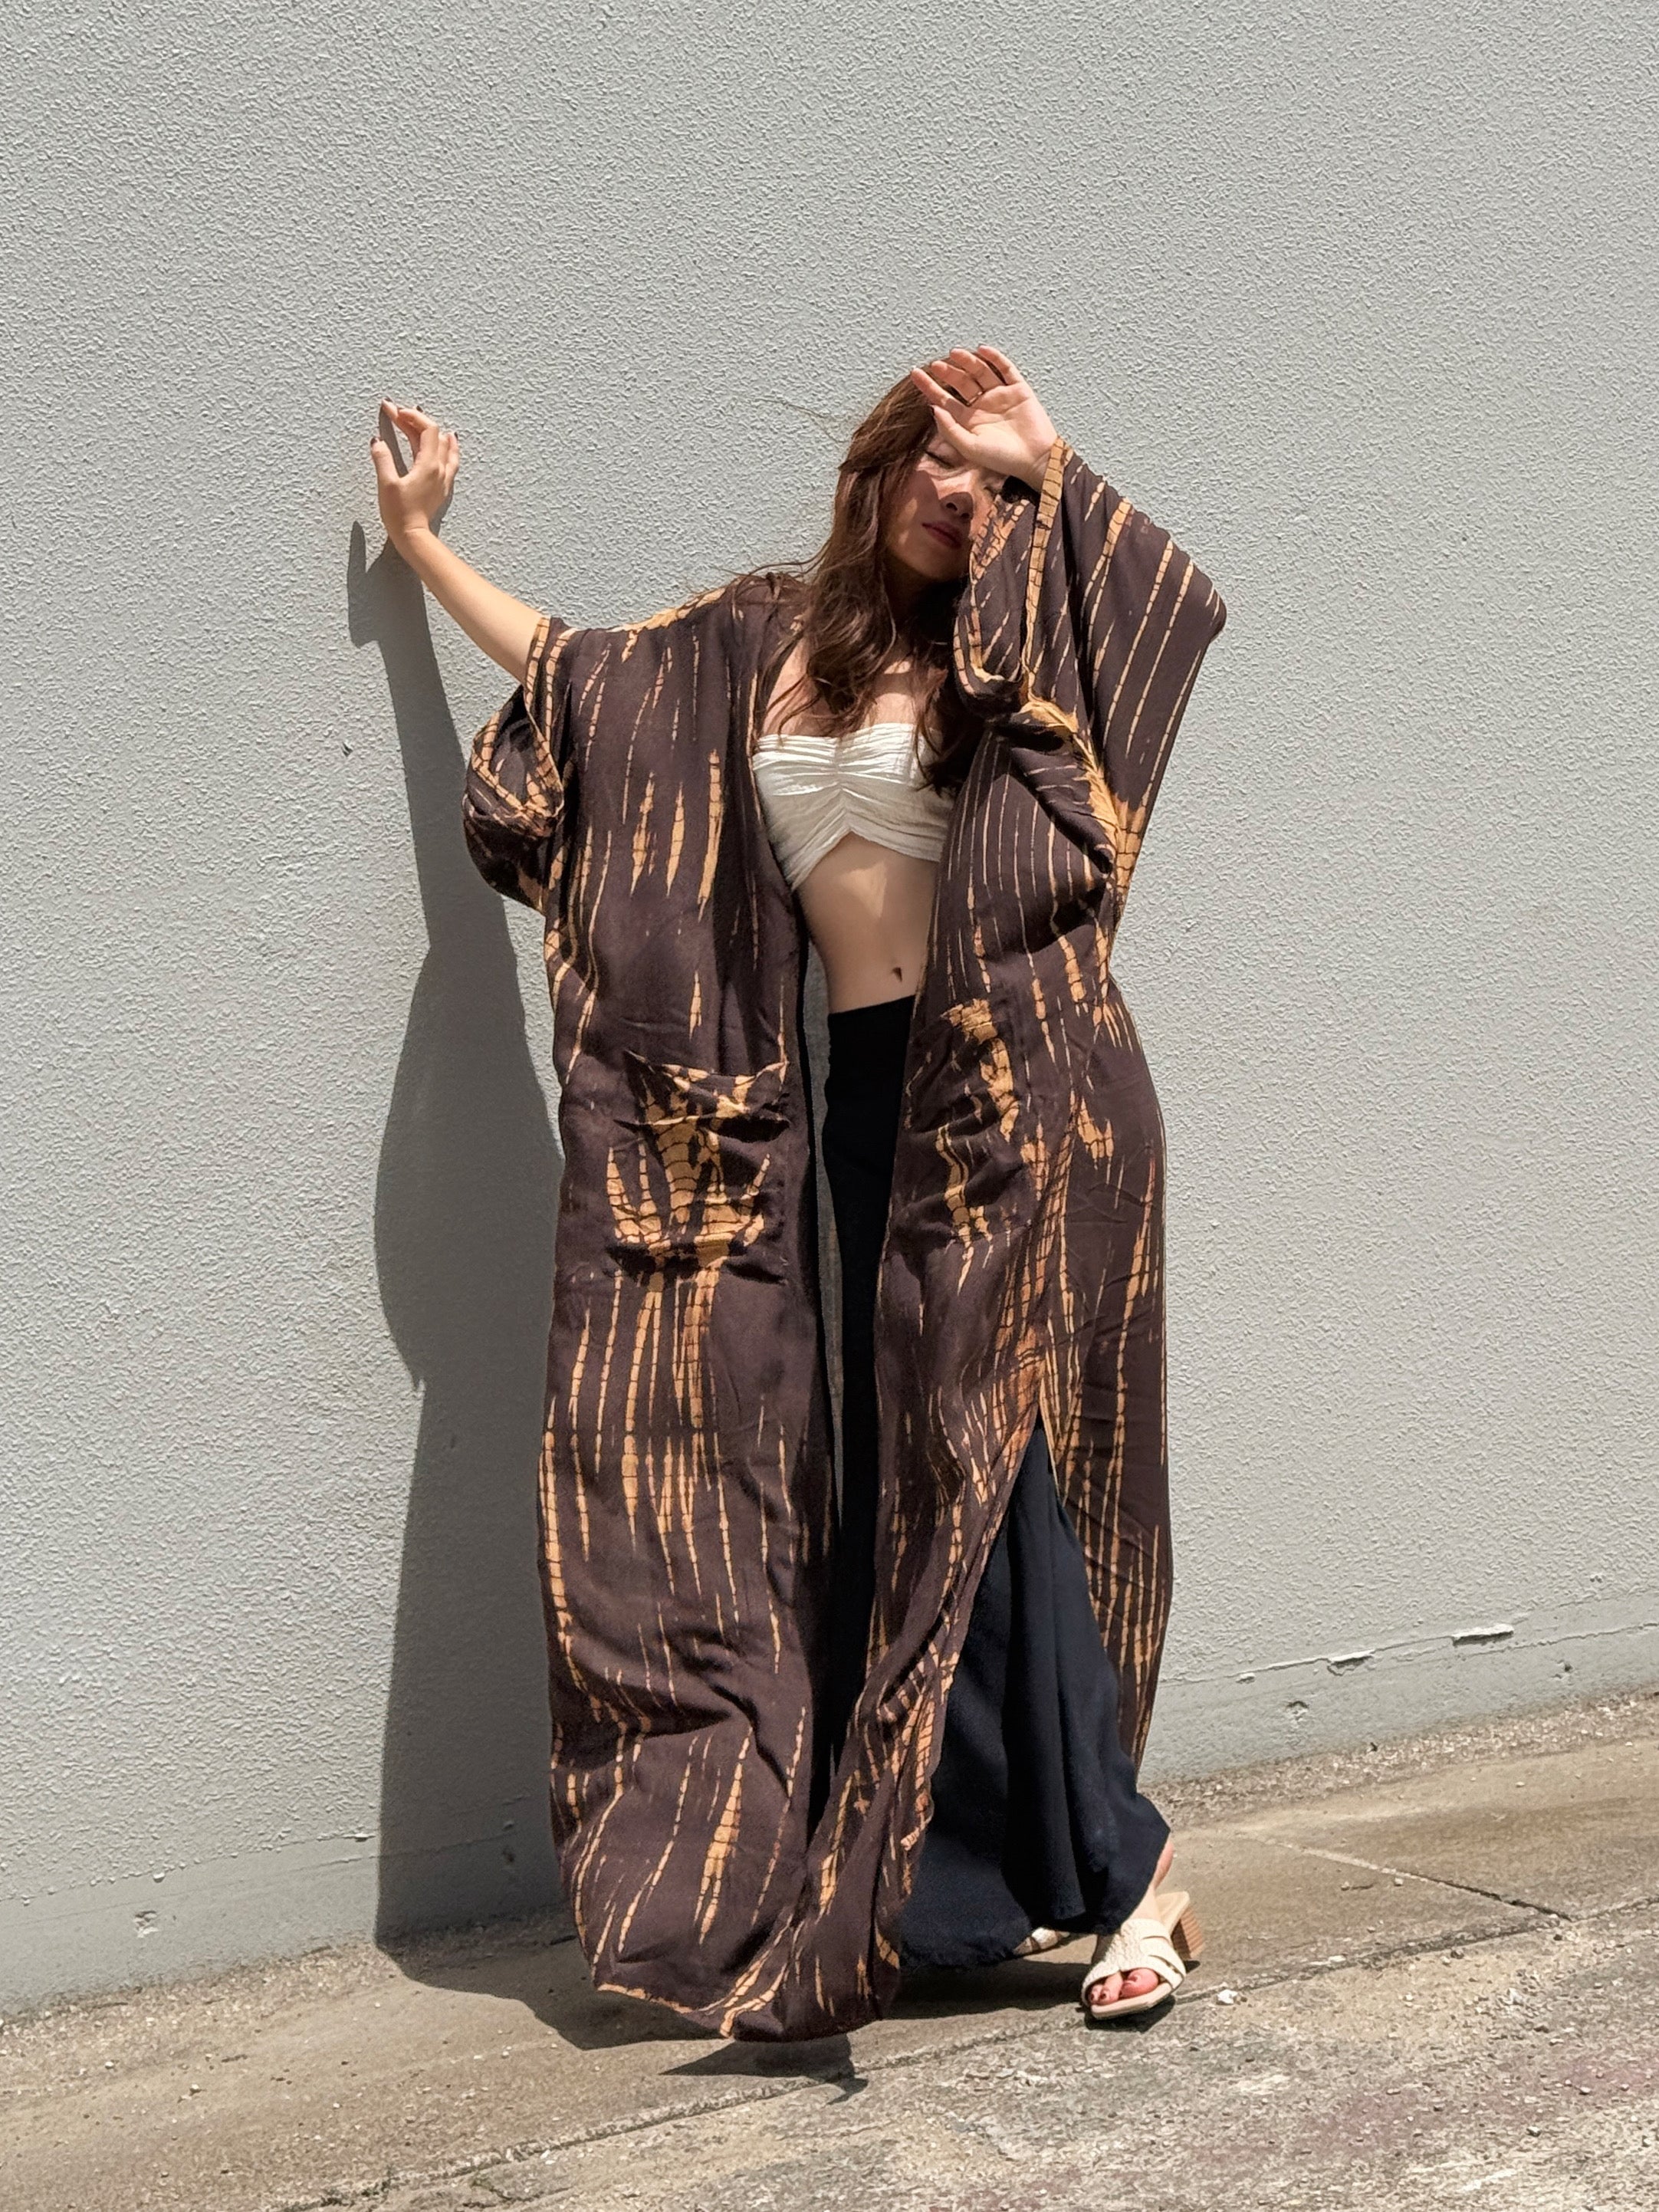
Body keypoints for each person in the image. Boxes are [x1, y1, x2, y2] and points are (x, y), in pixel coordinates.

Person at [370, 347, 1225, 2036]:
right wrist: (418, 551)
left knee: (989, 1474)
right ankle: (960, 1877)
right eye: (932, 459)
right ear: (873, 473)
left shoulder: (1001, 657)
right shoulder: (752, 646)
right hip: (853, 1111)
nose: (953, 491)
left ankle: (1130, 1872)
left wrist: (1052, 458)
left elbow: (1163, 617)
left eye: (983, 479)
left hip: (1008, 1089)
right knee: (902, 1490)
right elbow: (566, 666)